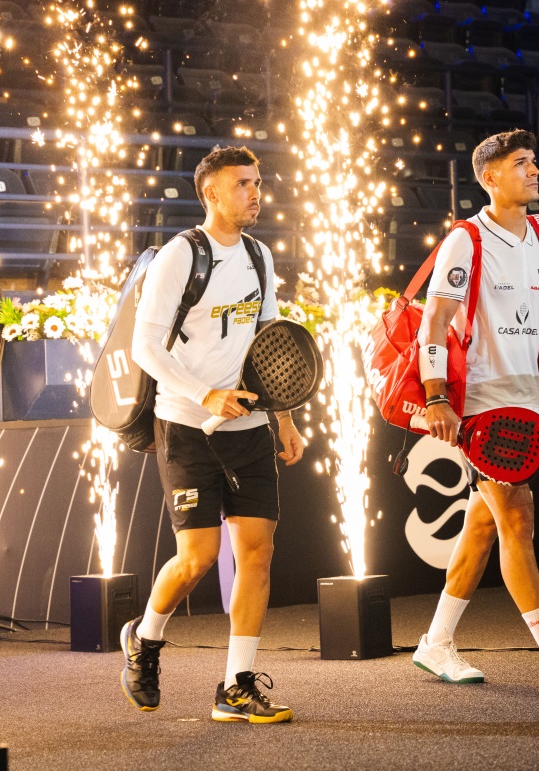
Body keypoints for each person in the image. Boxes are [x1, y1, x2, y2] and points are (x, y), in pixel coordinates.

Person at [122, 146, 304, 724]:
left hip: (249, 427)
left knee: (257, 553)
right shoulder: (180, 255)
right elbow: (144, 346)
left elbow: (270, 340)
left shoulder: (259, 255)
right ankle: (145, 641)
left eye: (257, 182)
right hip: (187, 425)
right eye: (242, 184)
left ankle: (236, 685)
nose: (255, 192)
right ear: (212, 193)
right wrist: (205, 396)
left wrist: (285, 417)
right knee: (197, 559)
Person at [412, 130, 539, 692]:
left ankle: (436, 643)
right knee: (516, 517)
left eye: (535, 161)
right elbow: (434, 323)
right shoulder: (465, 240)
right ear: (490, 176)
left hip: (529, 400)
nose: (535, 171)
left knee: (485, 525)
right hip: (484, 407)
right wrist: (438, 396)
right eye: (521, 164)